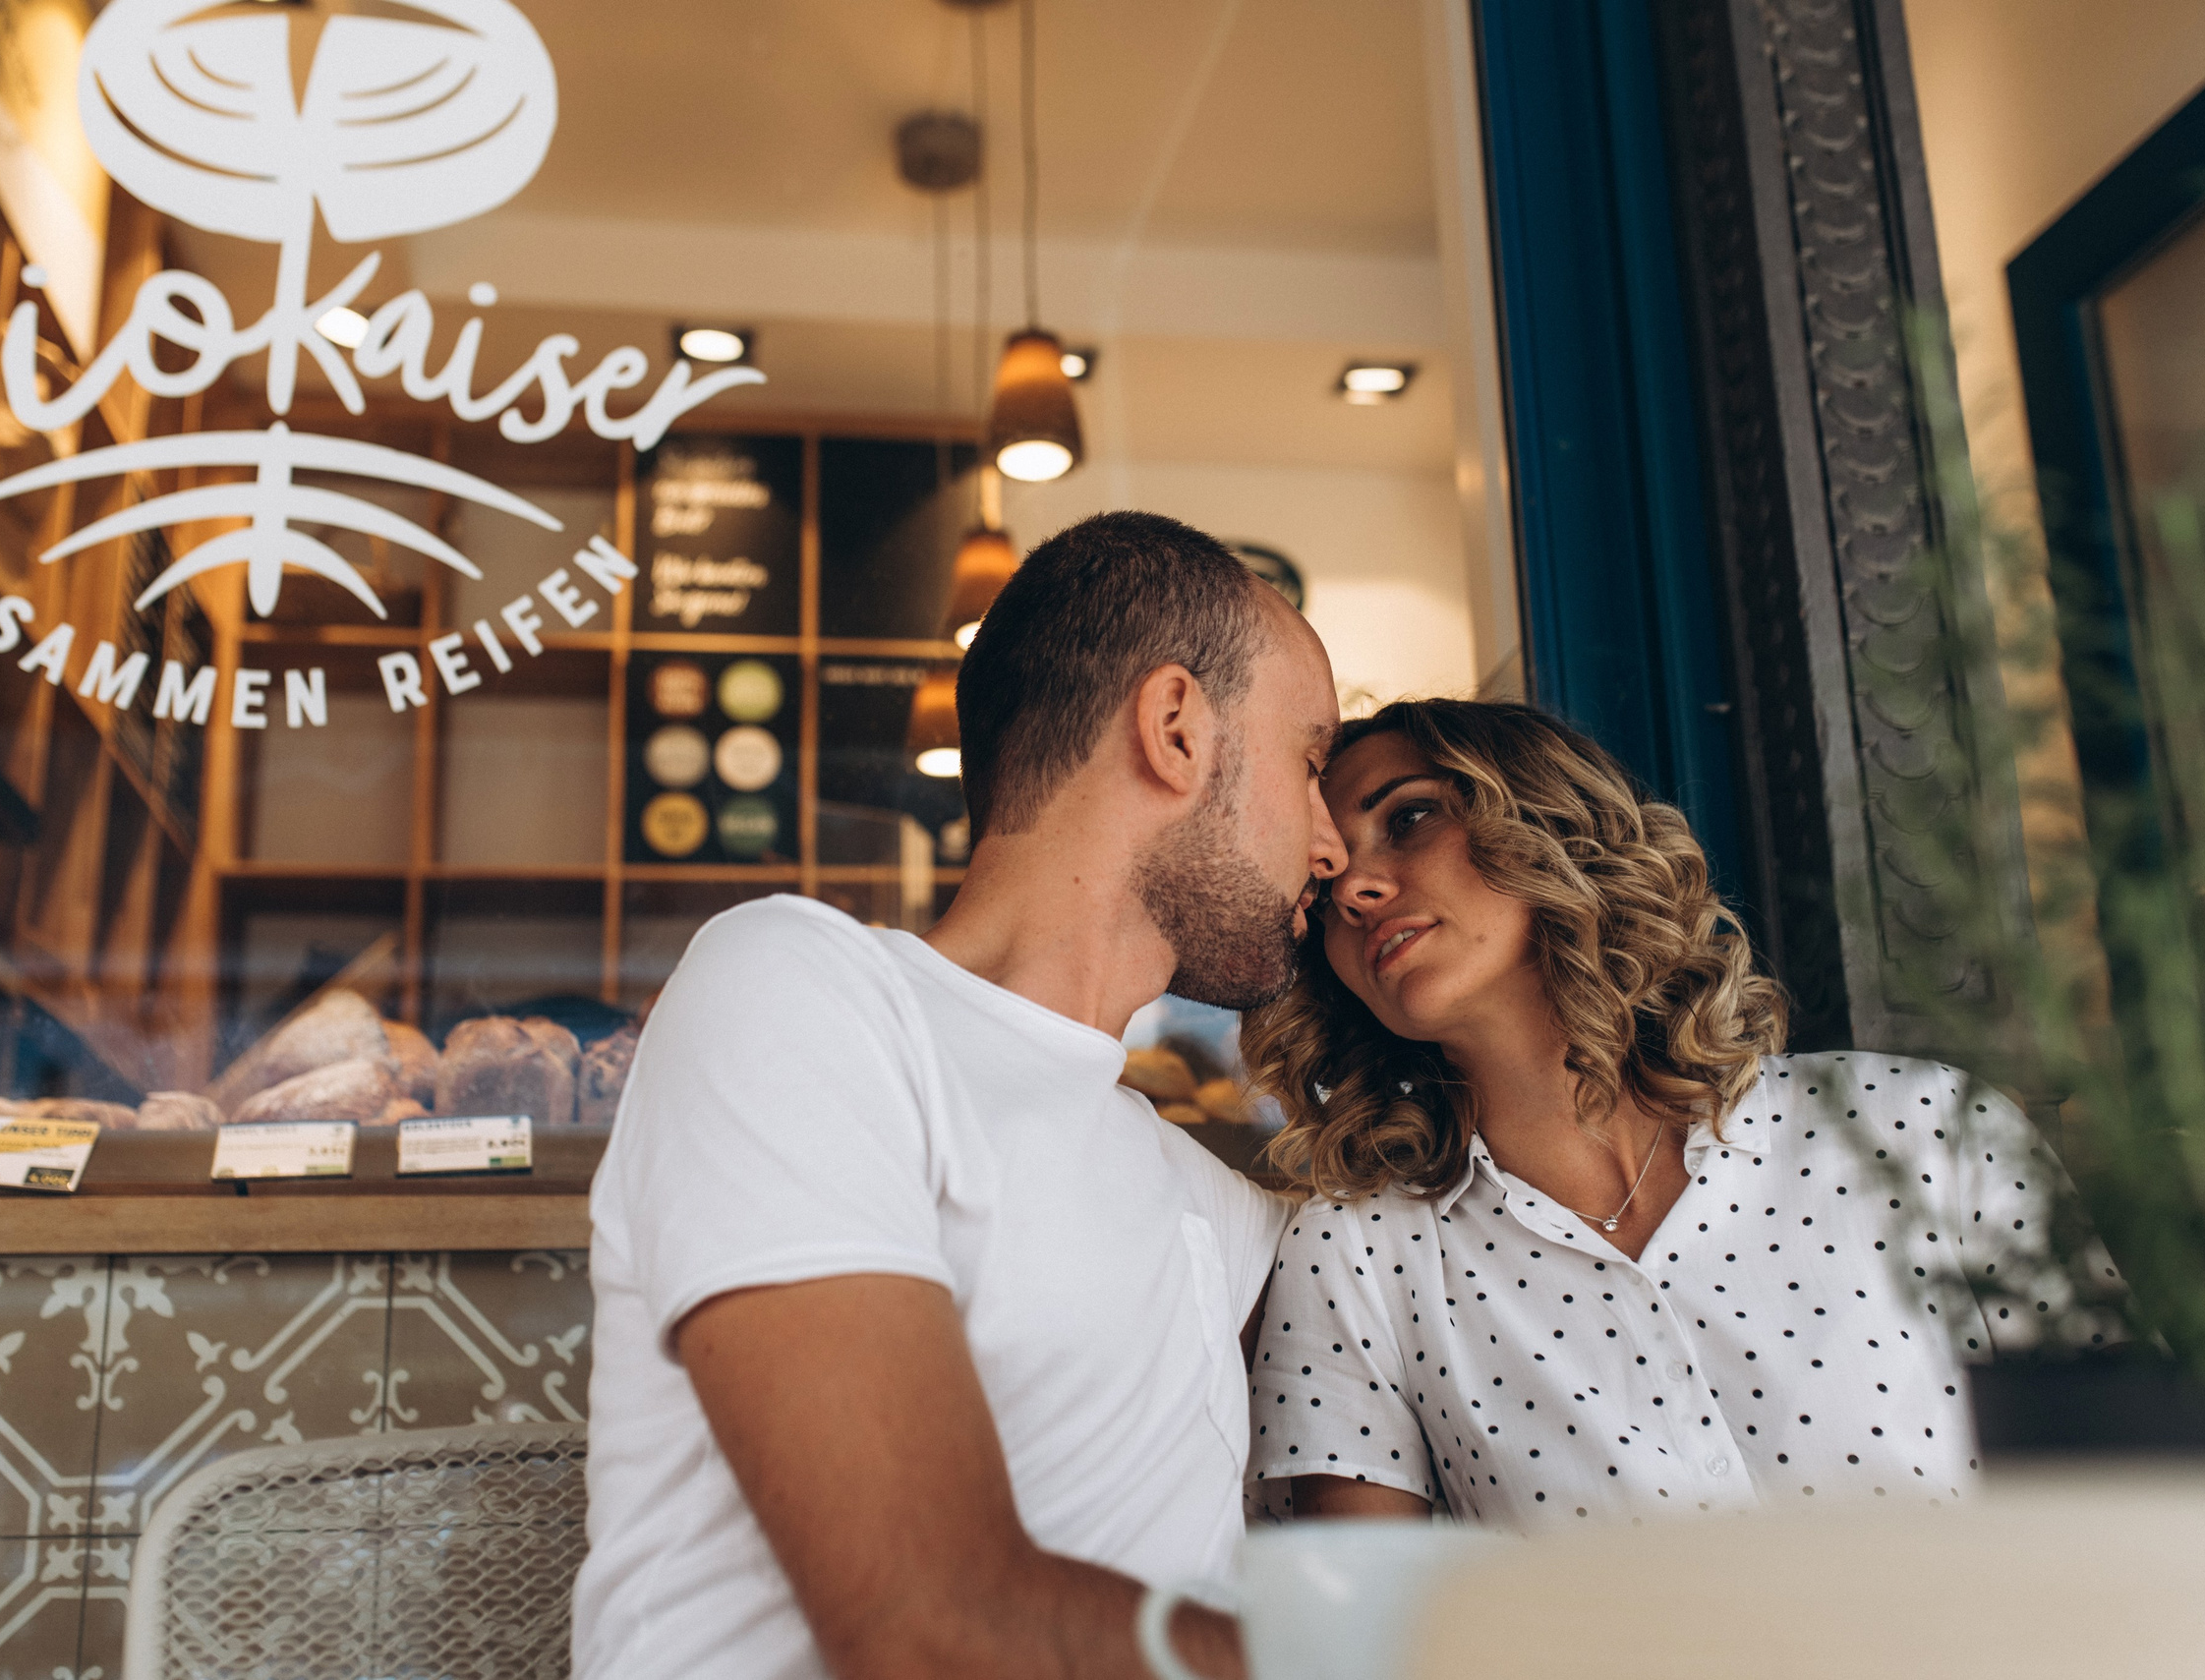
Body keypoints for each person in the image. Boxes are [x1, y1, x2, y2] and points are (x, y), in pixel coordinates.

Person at [573, 511, 1348, 1680]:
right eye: (1309, 763)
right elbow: (928, 1627)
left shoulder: (1200, 1193)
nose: (1334, 847)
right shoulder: (798, 990)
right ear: (1176, 728)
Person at [1240, 699, 2105, 1529]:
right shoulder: (1358, 1257)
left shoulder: (1921, 1127)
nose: (1354, 888)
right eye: (1324, 884)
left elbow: (2138, 1487)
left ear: (1546, 820)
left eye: (1409, 818)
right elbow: (1357, 1631)